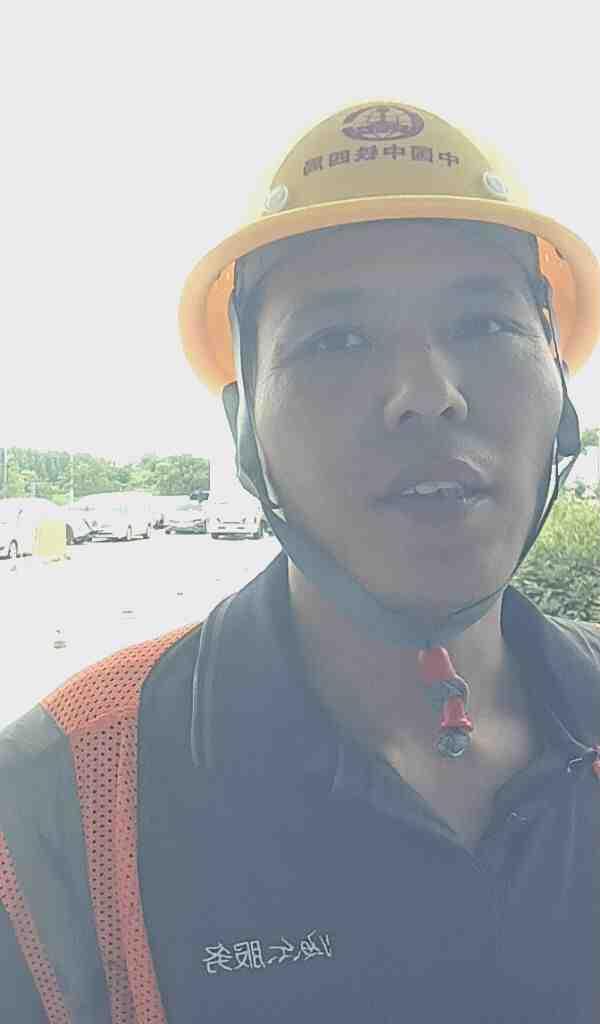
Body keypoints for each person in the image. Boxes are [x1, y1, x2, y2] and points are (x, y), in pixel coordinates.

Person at [1, 99, 600, 1022]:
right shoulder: (61, 799)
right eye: (337, 340)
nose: (428, 395)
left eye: (485, 324)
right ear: (246, 434)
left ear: (559, 396)